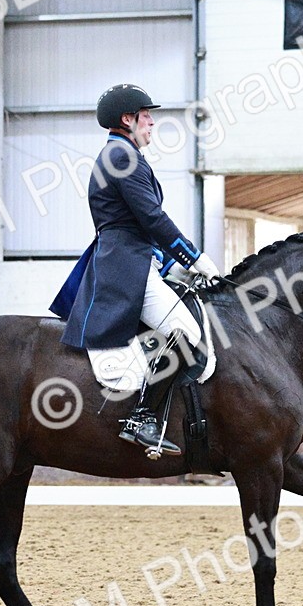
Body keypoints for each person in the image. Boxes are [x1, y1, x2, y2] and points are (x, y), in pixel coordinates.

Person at [51, 84, 220, 456]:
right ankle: (143, 417)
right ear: (127, 119)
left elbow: (141, 225)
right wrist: (194, 257)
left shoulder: (120, 154)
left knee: (184, 332)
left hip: (133, 259)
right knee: (189, 337)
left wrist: (175, 263)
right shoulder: (121, 155)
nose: (153, 123)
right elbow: (151, 217)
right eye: (147, 117)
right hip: (127, 268)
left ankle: (147, 412)